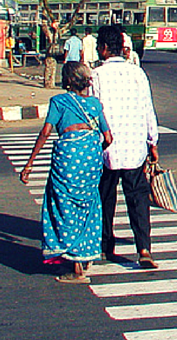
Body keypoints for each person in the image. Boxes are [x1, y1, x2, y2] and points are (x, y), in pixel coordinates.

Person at [19, 62, 113, 284]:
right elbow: (108, 138)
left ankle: (77, 267)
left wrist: (29, 163)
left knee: (63, 207)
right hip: (91, 158)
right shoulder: (94, 104)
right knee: (88, 206)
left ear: (68, 81)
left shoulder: (59, 101)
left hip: (68, 158)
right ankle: (86, 254)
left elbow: (45, 132)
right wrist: (91, 153)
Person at [92, 24, 160, 268]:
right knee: (138, 199)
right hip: (135, 147)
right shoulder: (138, 74)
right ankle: (143, 248)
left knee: (104, 198)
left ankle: (104, 245)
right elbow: (148, 110)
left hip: (106, 148)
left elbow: (94, 112)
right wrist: (153, 142)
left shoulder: (97, 75)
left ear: (104, 48)